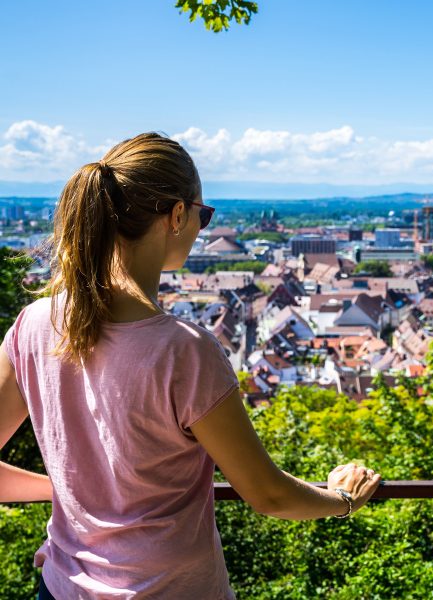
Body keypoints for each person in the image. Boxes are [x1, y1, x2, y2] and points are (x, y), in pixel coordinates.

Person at [0, 132, 381, 599]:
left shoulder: (34, 324)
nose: (203, 226)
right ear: (177, 214)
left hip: (61, 589)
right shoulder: (183, 351)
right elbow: (268, 494)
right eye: (205, 214)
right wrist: (342, 500)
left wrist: (72, 494)